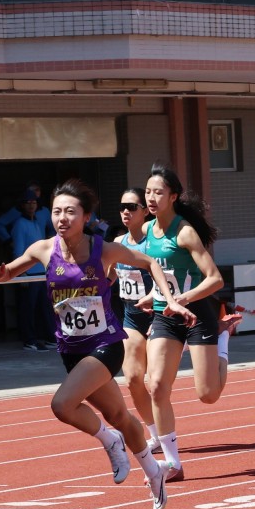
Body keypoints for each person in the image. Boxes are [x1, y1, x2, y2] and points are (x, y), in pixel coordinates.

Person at [0, 178, 196, 509]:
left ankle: (110, 442)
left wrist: (169, 300)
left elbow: (150, 263)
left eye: (70, 212)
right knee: (119, 415)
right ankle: (154, 473)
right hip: (71, 350)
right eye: (57, 212)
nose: (62, 218)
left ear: (86, 216)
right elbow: (11, 271)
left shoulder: (102, 249)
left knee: (63, 404)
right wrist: (0, 272)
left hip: (106, 344)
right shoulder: (43, 249)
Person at [143, 163, 243, 482]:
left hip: (198, 313)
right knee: (156, 384)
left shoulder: (184, 232)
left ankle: (223, 339)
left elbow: (214, 279)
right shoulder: (147, 231)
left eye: (158, 192)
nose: (151, 197)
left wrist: (181, 299)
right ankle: (172, 463)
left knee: (208, 394)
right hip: (165, 315)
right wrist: (154, 295)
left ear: (173, 196)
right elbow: (160, 270)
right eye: (148, 191)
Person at [113, 188, 158, 453]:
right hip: (132, 317)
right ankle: (154, 434)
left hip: (161, 318)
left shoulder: (155, 241)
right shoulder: (118, 243)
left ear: (144, 210)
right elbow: (108, 276)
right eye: (122, 207)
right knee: (132, 378)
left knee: (155, 382)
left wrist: (155, 296)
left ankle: (166, 434)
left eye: (132, 206)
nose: (126, 211)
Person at [10, 188, 58, 351]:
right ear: (21, 206)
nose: (31, 205)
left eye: (34, 202)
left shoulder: (37, 222)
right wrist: (21, 272)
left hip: (42, 272)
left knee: (44, 307)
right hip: (28, 273)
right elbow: (18, 249)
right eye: (27, 203)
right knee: (28, 308)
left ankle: (47, 337)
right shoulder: (19, 224)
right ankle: (29, 340)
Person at [0, 182, 54, 259]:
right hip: (23, 254)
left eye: (37, 190)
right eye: (28, 203)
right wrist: (9, 241)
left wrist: (48, 242)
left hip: (40, 255)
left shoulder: (44, 211)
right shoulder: (18, 216)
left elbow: (52, 229)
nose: (31, 205)